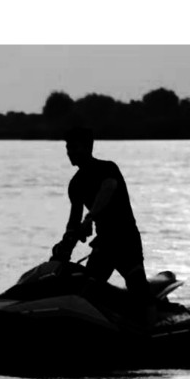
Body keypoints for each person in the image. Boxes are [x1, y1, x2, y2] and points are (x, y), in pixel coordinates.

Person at [53, 126, 151, 318]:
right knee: (87, 291)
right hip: (104, 243)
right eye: (68, 148)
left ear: (88, 147)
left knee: (138, 287)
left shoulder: (108, 169)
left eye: (74, 147)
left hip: (126, 239)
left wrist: (90, 217)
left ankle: (150, 325)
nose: (70, 153)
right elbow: (74, 220)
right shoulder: (75, 184)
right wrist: (65, 244)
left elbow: (108, 189)